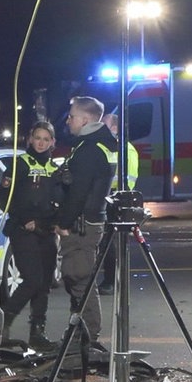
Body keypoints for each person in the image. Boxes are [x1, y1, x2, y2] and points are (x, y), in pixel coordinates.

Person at [53, 96, 118, 347]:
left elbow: (79, 192)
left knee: (78, 277)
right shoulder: (98, 144)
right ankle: (79, 332)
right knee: (79, 278)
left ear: (86, 119)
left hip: (82, 223)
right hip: (91, 220)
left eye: (71, 116)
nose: (68, 120)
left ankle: (87, 335)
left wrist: (64, 223)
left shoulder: (89, 149)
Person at [0, 121, 61, 350]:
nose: (41, 143)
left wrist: (53, 223)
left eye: (46, 139)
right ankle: (3, 326)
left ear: (52, 142)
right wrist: (25, 220)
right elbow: (4, 199)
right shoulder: (18, 165)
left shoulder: (56, 169)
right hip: (23, 231)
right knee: (32, 280)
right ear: (30, 139)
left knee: (43, 285)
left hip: (47, 232)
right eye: (38, 137)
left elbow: (61, 203)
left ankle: (37, 333)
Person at [97, 112, 140, 295]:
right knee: (107, 243)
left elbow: (124, 179)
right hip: (110, 198)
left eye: (104, 126)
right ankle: (110, 280)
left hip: (117, 200)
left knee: (110, 243)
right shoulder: (117, 147)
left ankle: (110, 282)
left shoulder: (124, 149)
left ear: (115, 128)